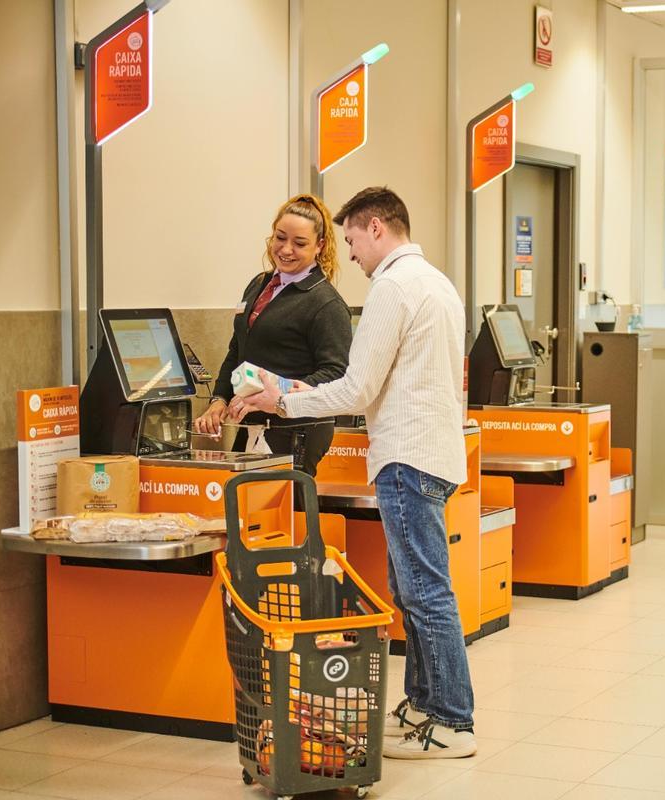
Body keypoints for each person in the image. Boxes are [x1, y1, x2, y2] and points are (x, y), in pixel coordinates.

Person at [229, 187, 475, 759]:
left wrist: (281, 402)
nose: (353, 255)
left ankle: (452, 721)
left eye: (352, 240)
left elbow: (357, 387)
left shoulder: (392, 287)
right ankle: (421, 702)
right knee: (410, 590)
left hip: (407, 457)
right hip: (434, 452)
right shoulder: (437, 281)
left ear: (376, 229)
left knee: (425, 592)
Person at [193, 194, 352, 478]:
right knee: (246, 509)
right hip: (252, 424)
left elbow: (335, 373)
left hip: (295, 429)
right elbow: (237, 349)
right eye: (280, 238)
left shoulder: (326, 303)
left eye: (300, 243)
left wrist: (277, 392)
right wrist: (218, 399)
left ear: (320, 246)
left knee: (284, 513)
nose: (286, 249)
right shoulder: (260, 284)